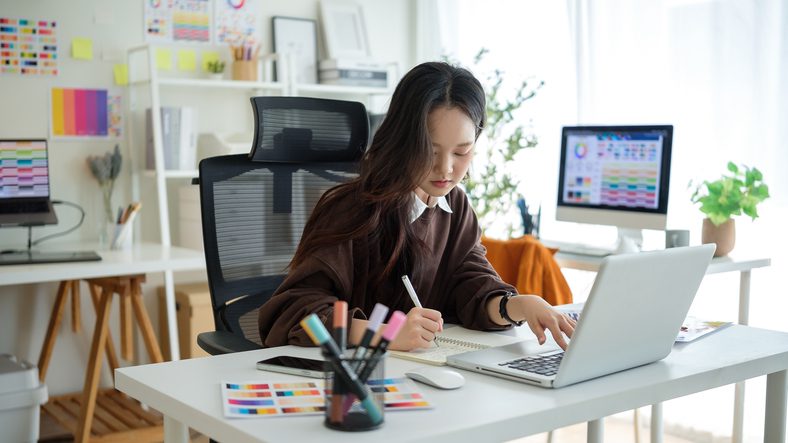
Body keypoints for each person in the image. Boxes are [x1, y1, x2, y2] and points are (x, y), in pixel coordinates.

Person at [258, 61, 575, 351]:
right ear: (403, 141)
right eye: (431, 151)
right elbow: (295, 313)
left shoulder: (455, 205)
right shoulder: (351, 209)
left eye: (461, 152)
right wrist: (383, 333)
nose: (446, 169)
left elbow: (473, 287)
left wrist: (519, 305)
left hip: (418, 374)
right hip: (347, 382)